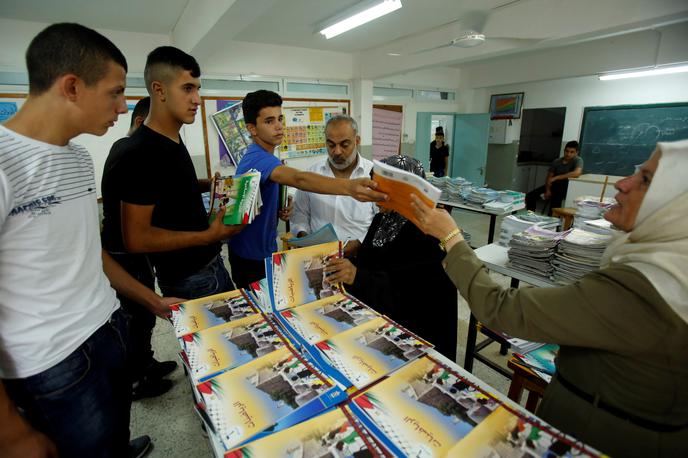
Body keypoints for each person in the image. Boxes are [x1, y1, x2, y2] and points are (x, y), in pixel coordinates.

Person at [409, 140, 688, 457]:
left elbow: (499, 308)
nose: (623, 184)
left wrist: (452, 237)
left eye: (646, 180)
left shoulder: (643, 287)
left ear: (678, 208)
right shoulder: (671, 271)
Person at [0, 23, 181, 457]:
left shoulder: (79, 157)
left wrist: (149, 299)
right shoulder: (5, 163)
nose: (123, 107)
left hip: (107, 329)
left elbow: (88, 252)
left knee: (110, 435)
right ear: (71, 87)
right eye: (115, 92)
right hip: (50, 362)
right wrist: (11, 434)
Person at [115, 46, 244, 300]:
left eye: (197, 88)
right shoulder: (139, 151)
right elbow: (136, 238)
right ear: (159, 90)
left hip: (212, 264)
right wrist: (208, 235)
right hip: (189, 279)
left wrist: (210, 185)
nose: (197, 99)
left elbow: (169, 188)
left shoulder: (172, 138)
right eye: (187, 88)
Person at [227, 90, 387, 288]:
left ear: (357, 141)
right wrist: (349, 187)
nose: (278, 127)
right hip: (252, 255)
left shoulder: (374, 174)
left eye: (280, 118)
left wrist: (280, 209)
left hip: (357, 262)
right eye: (269, 121)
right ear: (252, 128)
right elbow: (299, 179)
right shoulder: (259, 158)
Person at [325, 155, 458, 360]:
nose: (373, 196)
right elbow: (370, 262)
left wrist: (357, 276)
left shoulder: (428, 232)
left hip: (417, 334)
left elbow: (412, 293)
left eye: (381, 190)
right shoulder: (382, 219)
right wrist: (348, 267)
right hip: (380, 317)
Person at [102, 96, 177, 401]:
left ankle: (146, 363)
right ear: (140, 122)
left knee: (143, 316)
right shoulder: (131, 151)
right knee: (137, 315)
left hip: (130, 251)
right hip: (123, 252)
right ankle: (137, 379)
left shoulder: (125, 148)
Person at [291, 115, 377, 258]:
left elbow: (380, 221)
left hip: (360, 259)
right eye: (331, 145)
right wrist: (304, 236)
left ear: (357, 141)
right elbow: (299, 213)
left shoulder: (372, 175)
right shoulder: (312, 175)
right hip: (318, 257)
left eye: (344, 145)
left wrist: (360, 243)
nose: (337, 152)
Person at [525, 140, 583, 213]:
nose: (568, 154)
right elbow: (549, 177)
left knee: (555, 200)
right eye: (567, 151)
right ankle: (530, 215)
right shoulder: (557, 161)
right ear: (564, 150)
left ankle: (552, 220)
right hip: (553, 185)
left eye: (572, 152)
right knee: (530, 196)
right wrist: (548, 190)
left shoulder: (578, 160)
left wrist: (557, 177)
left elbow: (577, 173)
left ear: (576, 153)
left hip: (566, 187)